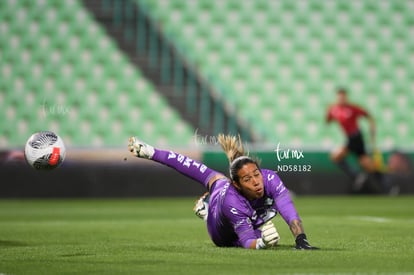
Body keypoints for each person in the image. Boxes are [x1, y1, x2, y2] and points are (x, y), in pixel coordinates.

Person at [128, 134, 317, 250]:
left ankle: (206, 208)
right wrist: (262, 244)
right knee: (265, 236)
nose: (256, 182)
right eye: (247, 179)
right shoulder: (231, 200)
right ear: (235, 184)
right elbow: (246, 241)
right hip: (223, 235)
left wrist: (301, 239)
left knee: (263, 224)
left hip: (234, 201)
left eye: (256, 175)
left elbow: (287, 207)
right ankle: (207, 213)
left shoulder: (269, 179)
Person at [326, 88, 380, 190]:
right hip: (351, 138)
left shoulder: (352, 108)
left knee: (335, 157)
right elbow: (328, 120)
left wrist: (372, 128)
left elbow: (367, 115)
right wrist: (328, 111)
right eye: (340, 97)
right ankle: (384, 183)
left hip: (355, 137)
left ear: (346, 97)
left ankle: (356, 175)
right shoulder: (334, 109)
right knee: (366, 163)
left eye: (343, 97)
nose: (341, 99)